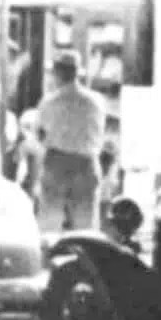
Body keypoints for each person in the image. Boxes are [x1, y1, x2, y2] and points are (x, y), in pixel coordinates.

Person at [34, 55, 108, 235]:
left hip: (56, 163)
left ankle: (50, 251)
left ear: (57, 73)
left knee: (49, 223)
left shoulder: (50, 102)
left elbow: (40, 133)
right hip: (86, 163)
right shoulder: (96, 101)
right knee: (85, 225)